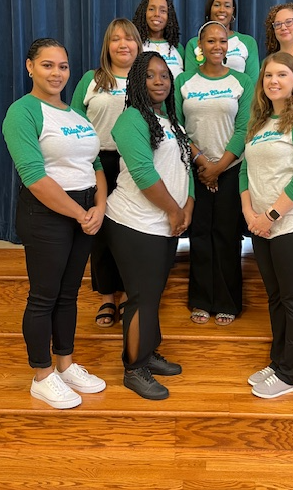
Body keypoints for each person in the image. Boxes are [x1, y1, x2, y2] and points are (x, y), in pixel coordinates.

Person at [2, 38, 107, 409]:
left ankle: (64, 364)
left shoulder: (75, 114)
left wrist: (99, 204)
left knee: (68, 294)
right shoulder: (22, 112)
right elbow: (34, 176)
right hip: (46, 212)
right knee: (44, 296)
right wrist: (80, 214)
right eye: (48, 65)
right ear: (30, 67)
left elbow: (93, 163)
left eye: (62, 66)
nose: (57, 73)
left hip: (84, 210)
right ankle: (42, 375)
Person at [103, 51, 194, 400]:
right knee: (141, 298)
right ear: (137, 81)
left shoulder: (171, 121)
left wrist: (186, 208)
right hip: (134, 223)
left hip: (164, 223)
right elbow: (143, 173)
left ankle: (147, 353)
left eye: (164, 76)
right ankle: (134, 368)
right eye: (150, 76)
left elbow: (184, 171)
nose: (159, 82)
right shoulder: (130, 120)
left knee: (152, 295)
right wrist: (174, 211)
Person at [240, 51, 293, 399]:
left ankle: (291, 374)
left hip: (290, 226)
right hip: (260, 226)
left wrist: (269, 216)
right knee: (274, 297)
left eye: (282, 75)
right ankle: (278, 362)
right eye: (268, 75)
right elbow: (245, 170)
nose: (273, 81)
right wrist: (249, 216)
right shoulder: (258, 122)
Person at [175, 21, 253, 326]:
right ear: (200, 47)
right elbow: (177, 125)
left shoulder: (242, 82)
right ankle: (201, 299)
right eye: (210, 41)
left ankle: (228, 302)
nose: (217, 46)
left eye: (222, 41)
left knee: (227, 235)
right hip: (195, 168)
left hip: (231, 169)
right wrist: (202, 162)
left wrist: (219, 166)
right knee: (201, 234)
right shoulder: (183, 80)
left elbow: (245, 127)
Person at [71, 18, 142, 327]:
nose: (123, 44)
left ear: (139, 44)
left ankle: (129, 292)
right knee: (100, 231)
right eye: (116, 39)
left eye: (129, 38)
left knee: (131, 231)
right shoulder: (92, 78)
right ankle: (106, 297)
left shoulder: (146, 78)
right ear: (107, 46)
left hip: (136, 164)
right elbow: (71, 122)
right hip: (98, 162)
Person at [184, 0, 259, 84]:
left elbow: (253, 84)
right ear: (209, 9)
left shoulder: (248, 42)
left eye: (227, 6)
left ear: (233, 11)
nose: (222, 10)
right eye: (216, 5)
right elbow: (190, 82)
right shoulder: (194, 43)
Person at [132, 0, 184, 78]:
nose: (157, 14)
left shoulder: (178, 48)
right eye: (151, 9)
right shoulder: (135, 46)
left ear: (169, 16)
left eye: (163, 11)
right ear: (143, 13)